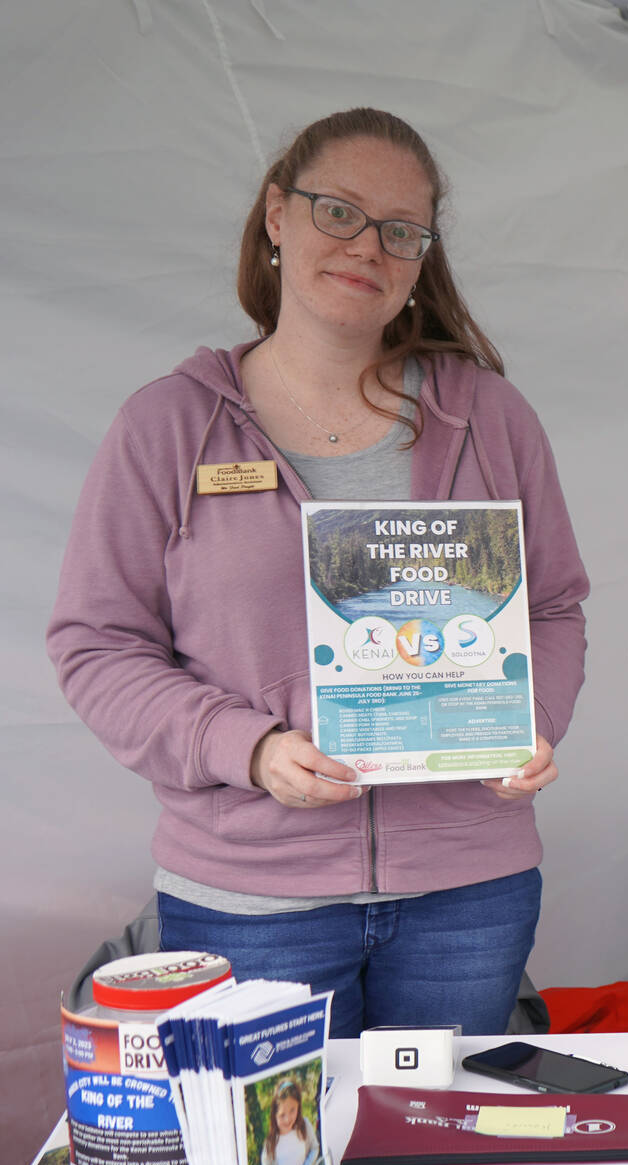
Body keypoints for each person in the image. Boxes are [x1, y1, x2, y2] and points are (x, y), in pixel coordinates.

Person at [48, 109, 589, 1038]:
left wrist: (526, 719)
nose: (365, 247)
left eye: (399, 230)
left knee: (438, 1159)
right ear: (275, 215)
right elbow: (97, 645)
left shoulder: (491, 418)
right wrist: (247, 749)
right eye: (337, 211)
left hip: (467, 888)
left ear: (422, 256)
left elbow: (552, 607)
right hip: (247, 895)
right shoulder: (170, 426)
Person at [258, 1079, 319, 1165]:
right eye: (282, 1115)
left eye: (293, 1110)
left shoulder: (304, 1126)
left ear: (299, 1107)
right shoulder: (270, 1143)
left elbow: (314, 1148)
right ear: (274, 1115)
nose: (288, 1119)